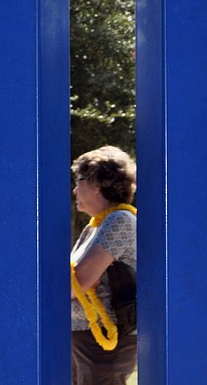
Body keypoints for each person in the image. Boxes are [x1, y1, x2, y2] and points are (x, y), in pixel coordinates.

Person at [70, 146, 137, 385]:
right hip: (85, 336)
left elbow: (78, 282)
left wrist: (79, 277)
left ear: (97, 183)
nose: (75, 189)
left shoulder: (120, 220)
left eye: (79, 181)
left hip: (105, 339)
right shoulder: (94, 226)